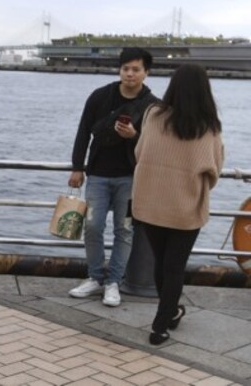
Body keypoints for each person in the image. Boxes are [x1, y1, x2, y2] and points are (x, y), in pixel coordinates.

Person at [132, 64, 223, 345]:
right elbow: (214, 169)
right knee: (175, 266)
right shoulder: (208, 128)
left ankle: (170, 313)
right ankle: (161, 324)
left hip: (149, 203)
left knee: (162, 262)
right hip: (185, 207)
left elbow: (139, 152)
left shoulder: (153, 115)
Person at [67, 47, 158, 306]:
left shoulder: (153, 106)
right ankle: (95, 277)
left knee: (125, 230)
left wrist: (135, 136)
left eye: (136, 69)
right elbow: (83, 132)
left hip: (131, 177)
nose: (130, 74)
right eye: (125, 68)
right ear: (119, 70)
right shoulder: (100, 97)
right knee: (93, 227)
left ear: (146, 73)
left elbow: (156, 144)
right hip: (97, 174)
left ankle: (113, 282)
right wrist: (77, 167)